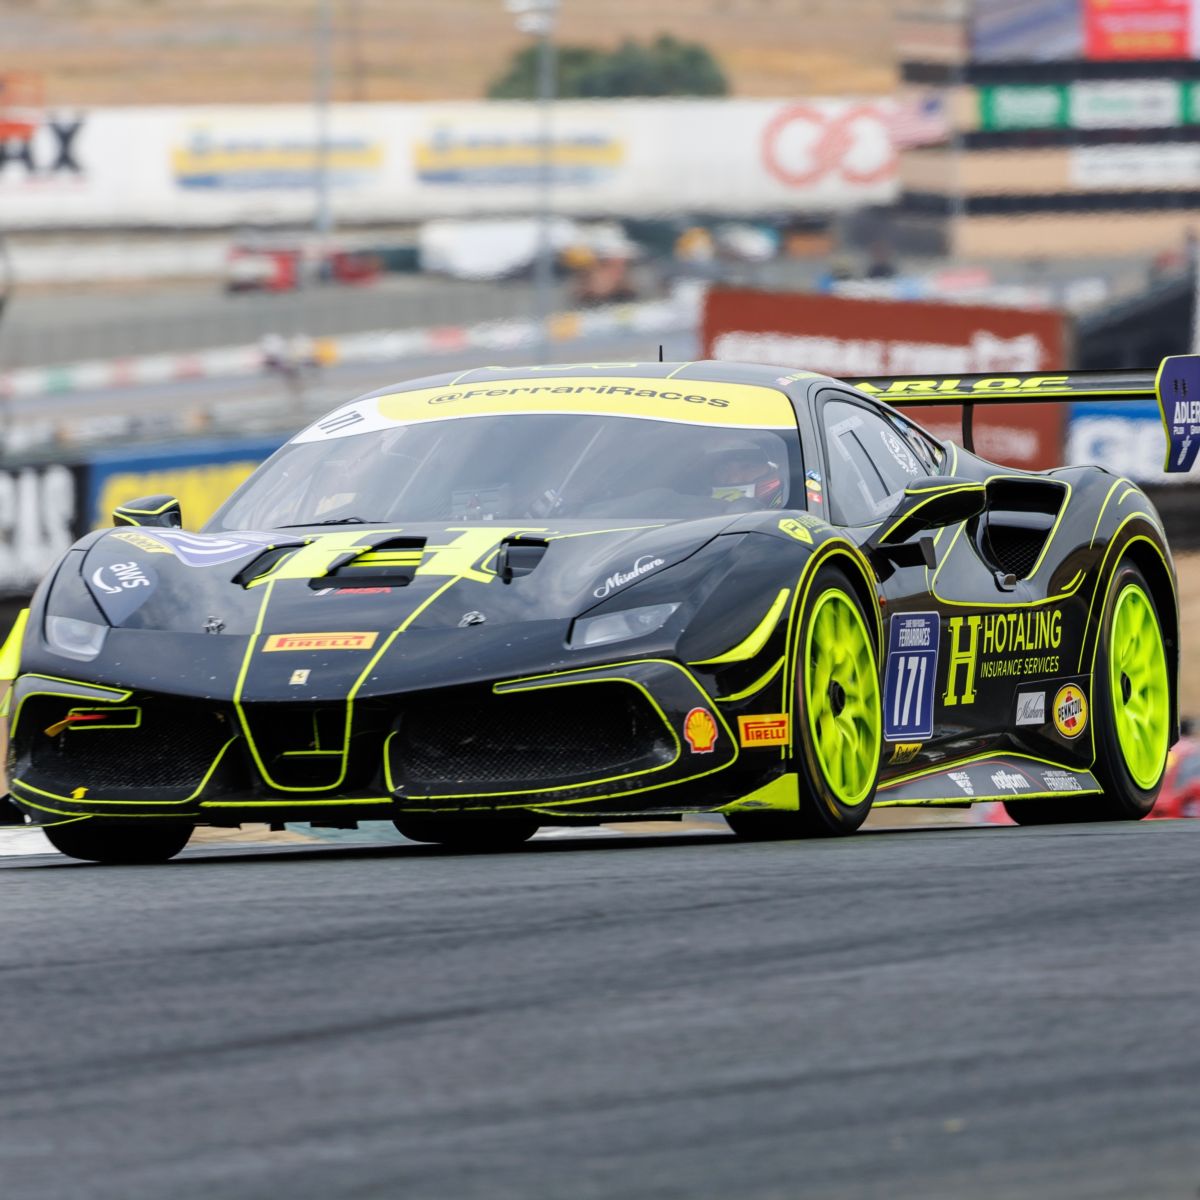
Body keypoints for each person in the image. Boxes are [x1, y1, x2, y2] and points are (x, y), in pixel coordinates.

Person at [708, 440, 785, 508]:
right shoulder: (700, 514)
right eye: (724, 470)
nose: (734, 480)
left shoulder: (791, 510)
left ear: (772, 471)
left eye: (747, 468)